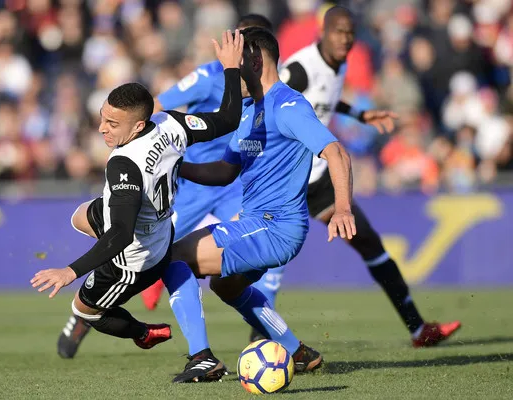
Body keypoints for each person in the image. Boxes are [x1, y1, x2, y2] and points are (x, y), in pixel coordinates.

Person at [55, 14, 274, 360]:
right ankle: (106, 291)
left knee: (172, 257)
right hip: (188, 183)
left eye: (246, 49)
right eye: (235, 45)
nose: (101, 130)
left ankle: (108, 308)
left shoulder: (123, 163)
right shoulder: (192, 96)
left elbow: (121, 234)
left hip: (218, 185)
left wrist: (70, 269)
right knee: (81, 216)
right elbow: (178, 107)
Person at [249, 6, 461, 347]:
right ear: (323, 32)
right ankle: (257, 341)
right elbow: (270, 101)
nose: (345, 39)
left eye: (350, 33)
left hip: (317, 180)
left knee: (369, 243)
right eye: (338, 32)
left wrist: (359, 113)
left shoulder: (339, 64)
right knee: (270, 263)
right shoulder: (301, 68)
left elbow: (324, 101)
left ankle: (418, 330)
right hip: (286, 179)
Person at [168, 26, 355, 382]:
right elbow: (225, 171)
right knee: (226, 285)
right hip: (257, 222)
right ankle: (297, 353)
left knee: (174, 256)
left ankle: (201, 358)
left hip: (274, 226)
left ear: (254, 60)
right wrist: (178, 165)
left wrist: (342, 207)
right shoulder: (250, 109)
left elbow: (336, 152)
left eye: (231, 65)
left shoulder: (287, 105)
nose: (227, 74)